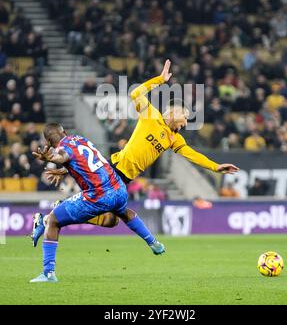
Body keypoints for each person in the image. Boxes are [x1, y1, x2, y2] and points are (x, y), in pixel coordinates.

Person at [32, 60, 239, 245]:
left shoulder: (174, 138)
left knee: (111, 221)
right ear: (174, 112)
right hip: (114, 170)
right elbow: (135, 93)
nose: (185, 123)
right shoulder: (151, 116)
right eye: (185, 117)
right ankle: (57, 215)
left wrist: (215, 167)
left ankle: (58, 211)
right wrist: (159, 79)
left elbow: (191, 155)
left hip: (124, 179)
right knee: (118, 214)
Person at [30, 123, 165, 283]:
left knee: (53, 220)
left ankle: (48, 273)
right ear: (64, 132)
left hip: (99, 194)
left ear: (47, 141)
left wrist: (52, 158)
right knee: (114, 219)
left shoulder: (62, 149)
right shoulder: (80, 139)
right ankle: (154, 243)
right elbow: (86, 159)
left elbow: (63, 156)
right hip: (118, 188)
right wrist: (64, 168)